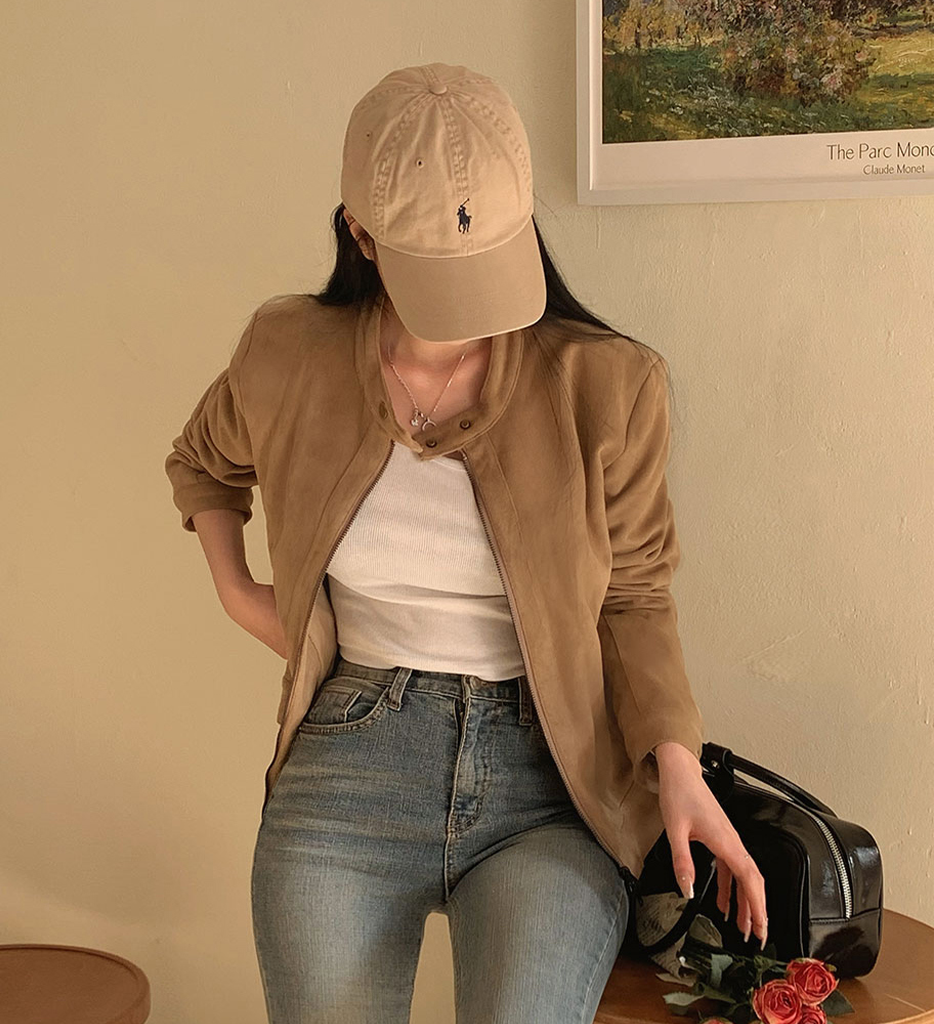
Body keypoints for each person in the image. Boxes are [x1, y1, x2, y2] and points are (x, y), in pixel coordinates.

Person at [164, 61, 767, 1024]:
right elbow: (203, 463)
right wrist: (241, 594)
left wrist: (675, 760)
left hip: (550, 777)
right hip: (352, 758)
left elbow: (635, 594)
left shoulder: (607, 384)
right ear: (361, 235)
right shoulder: (288, 353)